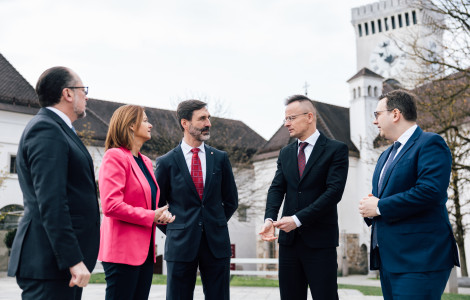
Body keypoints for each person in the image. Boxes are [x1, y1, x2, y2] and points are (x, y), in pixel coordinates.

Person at [7, 67, 100, 299]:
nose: (86, 96)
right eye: (83, 90)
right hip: (50, 263)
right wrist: (73, 260)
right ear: (67, 93)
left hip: (58, 266)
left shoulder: (61, 129)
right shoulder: (46, 129)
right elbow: (51, 201)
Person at [359, 89, 460, 299]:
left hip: (420, 259)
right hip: (390, 260)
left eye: (377, 114)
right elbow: (385, 196)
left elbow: (430, 191)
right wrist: (371, 209)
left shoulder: (430, 143)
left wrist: (379, 206)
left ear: (395, 114)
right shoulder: (385, 155)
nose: (374, 121)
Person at [259, 94, 349, 300]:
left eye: (291, 118)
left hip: (320, 243)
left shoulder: (336, 150)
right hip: (289, 244)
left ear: (309, 117)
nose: (286, 124)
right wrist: (269, 219)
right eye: (285, 119)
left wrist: (297, 220)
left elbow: (333, 193)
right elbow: (276, 188)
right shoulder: (286, 153)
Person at [154, 99, 238, 300]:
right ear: (185, 123)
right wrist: (178, 228)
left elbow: (231, 200)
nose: (208, 123)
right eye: (202, 118)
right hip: (180, 244)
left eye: (208, 118)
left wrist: (213, 223)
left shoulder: (220, 158)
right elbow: (156, 206)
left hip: (216, 244)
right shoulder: (166, 162)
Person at [98, 105, 175, 300]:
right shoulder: (114, 156)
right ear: (131, 125)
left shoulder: (146, 162)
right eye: (145, 120)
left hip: (145, 253)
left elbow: (145, 204)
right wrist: (151, 215)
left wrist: (159, 215)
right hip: (122, 253)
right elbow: (111, 205)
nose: (150, 125)